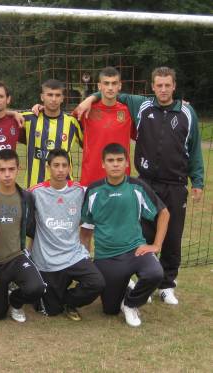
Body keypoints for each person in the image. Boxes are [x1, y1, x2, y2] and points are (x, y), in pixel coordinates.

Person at [76, 66, 204, 305]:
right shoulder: (142, 105)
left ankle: (166, 284)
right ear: (152, 87)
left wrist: (197, 180)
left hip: (175, 183)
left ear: (174, 86)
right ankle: (137, 277)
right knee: (138, 233)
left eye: (168, 85)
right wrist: (88, 99)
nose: (163, 89)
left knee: (173, 235)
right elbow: (108, 93)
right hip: (145, 181)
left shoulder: (187, 112)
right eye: (159, 85)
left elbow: (195, 148)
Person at [81, 143, 169, 327]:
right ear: (103, 164)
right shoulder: (94, 191)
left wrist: (156, 245)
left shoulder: (137, 187)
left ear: (126, 163)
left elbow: (164, 213)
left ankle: (131, 304)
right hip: (107, 256)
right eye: (110, 160)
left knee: (155, 273)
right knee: (110, 310)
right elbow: (86, 230)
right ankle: (127, 284)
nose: (115, 164)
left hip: (135, 250)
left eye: (120, 160)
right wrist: (85, 257)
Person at [29, 149, 105, 321]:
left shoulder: (80, 191)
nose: (61, 170)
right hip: (46, 260)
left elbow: (101, 199)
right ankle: (50, 296)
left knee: (97, 283)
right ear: (48, 168)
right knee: (51, 310)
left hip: (73, 255)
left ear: (70, 168)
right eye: (56, 165)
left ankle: (69, 301)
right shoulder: (35, 193)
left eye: (65, 165)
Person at [0, 149, 46, 322]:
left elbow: (31, 228)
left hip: (15, 258)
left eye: (11, 169)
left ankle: (16, 301)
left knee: (37, 288)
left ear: (18, 169)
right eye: (2, 169)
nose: (7, 174)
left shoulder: (26, 197)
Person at [20, 79, 83, 188]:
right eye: (49, 95)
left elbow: (89, 146)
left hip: (64, 189)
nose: (53, 99)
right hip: (35, 188)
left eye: (57, 95)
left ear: (62, 98)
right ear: (42, 97)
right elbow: (0, 114)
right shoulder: (29, 118)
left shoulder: (72, 122)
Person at [77, 67, 133, 187]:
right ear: (99, 86)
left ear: (120, 86)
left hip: (121, 180)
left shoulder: (128, 112)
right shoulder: (86, 109)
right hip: (91, 179)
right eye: (106, 83)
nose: (110, 87)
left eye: (114, 83)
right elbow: (61, 120)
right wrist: (42, 108)